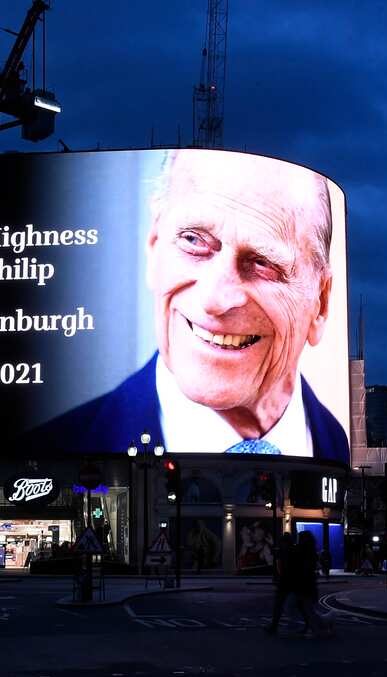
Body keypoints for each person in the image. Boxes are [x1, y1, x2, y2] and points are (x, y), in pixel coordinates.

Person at [30, 150, 348, 464]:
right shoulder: (49, 449)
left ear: (320, 303)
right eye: (193, 241)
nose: (214, 299)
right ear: (154, 246)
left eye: (262, 263)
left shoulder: (338, 446)